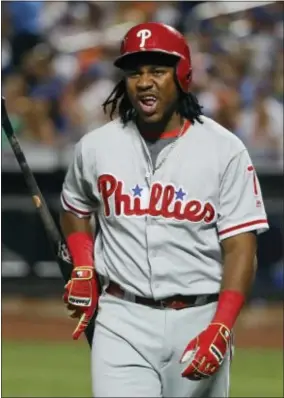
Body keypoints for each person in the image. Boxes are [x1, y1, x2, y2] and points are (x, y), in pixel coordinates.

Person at [60, 22, 269, 398]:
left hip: (199, 317)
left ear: (183, 74)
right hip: (121, 318)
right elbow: (75, 207)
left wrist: (221, 326)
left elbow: (242, 246)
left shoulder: (225, 150)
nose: (144, 82)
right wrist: (83, 263)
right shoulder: (96, 147)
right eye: (135, 72)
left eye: (157, 70)